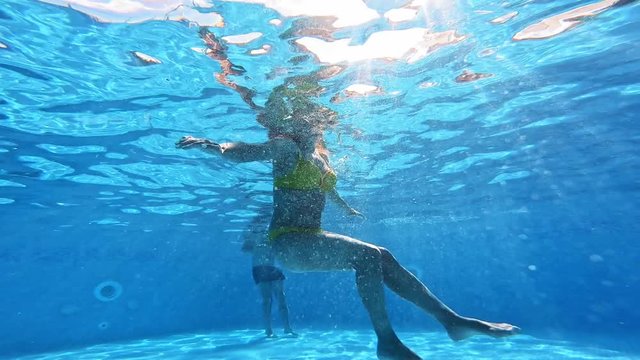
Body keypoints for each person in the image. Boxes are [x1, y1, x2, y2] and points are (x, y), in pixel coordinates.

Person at [176, 72, 519, 360]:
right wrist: (211, 145)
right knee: (368, 255)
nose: (310, 127)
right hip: (289, 242)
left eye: (313, 124)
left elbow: (327, 189)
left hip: (314, 237)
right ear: (291, 125)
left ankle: (451, 321)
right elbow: (244, 153)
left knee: (381, 256)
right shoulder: (286, 150)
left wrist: (345, 208)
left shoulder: (320, 159)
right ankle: (388, 342)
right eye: (303, 121)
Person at [241, 210, 295, 337]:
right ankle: (268, 330)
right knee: (267, 300)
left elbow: (281, 248)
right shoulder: (251, 234)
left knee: (281, 298)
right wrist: (255, 243)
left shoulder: (273, 233)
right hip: (260, 268)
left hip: (274, 267)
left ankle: (287, 328)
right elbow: (244, 249)